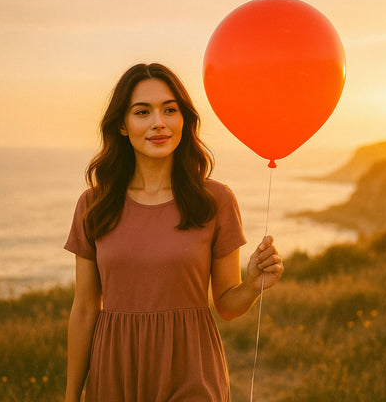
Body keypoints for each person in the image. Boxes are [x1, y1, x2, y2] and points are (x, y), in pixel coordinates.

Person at [64, 63, 283, 402]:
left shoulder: (214, 200)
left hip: (192, 369)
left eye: (170, 110)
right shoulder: (95, 204)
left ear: (184, 120)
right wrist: (70, 396)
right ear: (122, 125)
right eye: (142, 112)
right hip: (115, 371)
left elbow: (225, 304)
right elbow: (84, 309)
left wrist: (253, 284)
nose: (159, 123)